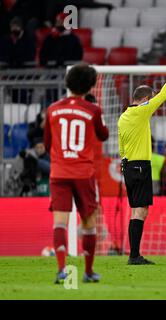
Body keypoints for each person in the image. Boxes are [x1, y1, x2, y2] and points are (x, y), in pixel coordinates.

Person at [43, 63, 109, 284]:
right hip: (83, 173)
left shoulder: (52, 109)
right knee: (89, 222)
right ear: (91, 86)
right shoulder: (93, 110)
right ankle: (88, 272)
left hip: (59, 172)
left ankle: (62, 269)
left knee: (60, 222)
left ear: (67, 82)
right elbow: (104, 135)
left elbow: (46, 142)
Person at [118, 59, 166, 265]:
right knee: (140, 210)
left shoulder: (124, 116)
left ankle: (134, 254)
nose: (152, 102)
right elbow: (163, 96)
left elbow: (121, 145)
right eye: (150, 99)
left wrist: (123, 162)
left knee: (138, 209)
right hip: (139, 166)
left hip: (128, 165)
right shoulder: (140, 111)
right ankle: (134, 256)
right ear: (145, 99)